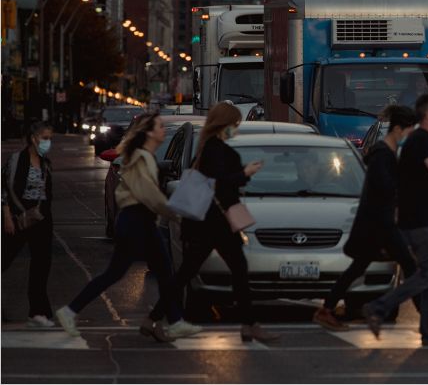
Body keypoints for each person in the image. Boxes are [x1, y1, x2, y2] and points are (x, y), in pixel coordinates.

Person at [56, 113, 201, 341]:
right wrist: (174, 212)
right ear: (149, 132)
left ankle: (175, 321)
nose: (163, 131)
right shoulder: (142, 157)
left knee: (162, 270)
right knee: (120, 273)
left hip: (139, 220)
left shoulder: (143, 155)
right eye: (160, 127)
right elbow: (149, 194)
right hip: (136, 219)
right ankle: (69, 311)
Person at [150, 102, 279, 343]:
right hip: (213, 223)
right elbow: (220, 182)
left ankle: (248, 324)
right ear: (225, 125)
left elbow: (220, 179)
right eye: (234, 125)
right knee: (205, 272)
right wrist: (245, 173)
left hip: (212, 222)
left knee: (193, 273)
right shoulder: (214, 148)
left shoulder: (211, 148)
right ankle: (248, 325)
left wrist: (241, 173)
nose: (236, 129)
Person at [363, 92, 428, 347]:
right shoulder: (422, 140)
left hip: (419, 218)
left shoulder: (418, 142)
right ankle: (379, 307)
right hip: (419, 222)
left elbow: (422, 184)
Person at [313, 106, 418, 330]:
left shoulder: (386, 154)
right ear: (398, 129)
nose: (410, 136)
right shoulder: (382, 155)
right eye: (410, 131)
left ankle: (327, 308)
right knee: (410, 266)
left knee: (359, 268)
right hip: (380, 224)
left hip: (378, 225)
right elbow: (385, 189)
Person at [2, 120, 55, 327]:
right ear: (33, 138)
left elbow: (47, 193)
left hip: (41, 219)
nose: (48, 143)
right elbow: (4, 188)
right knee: (4, 258)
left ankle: (38, 312)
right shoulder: (17, 160)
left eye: (50, 139)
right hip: (17, 217)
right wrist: (7, 216)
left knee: (41, 265)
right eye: (45, 138)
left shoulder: (46, 163)